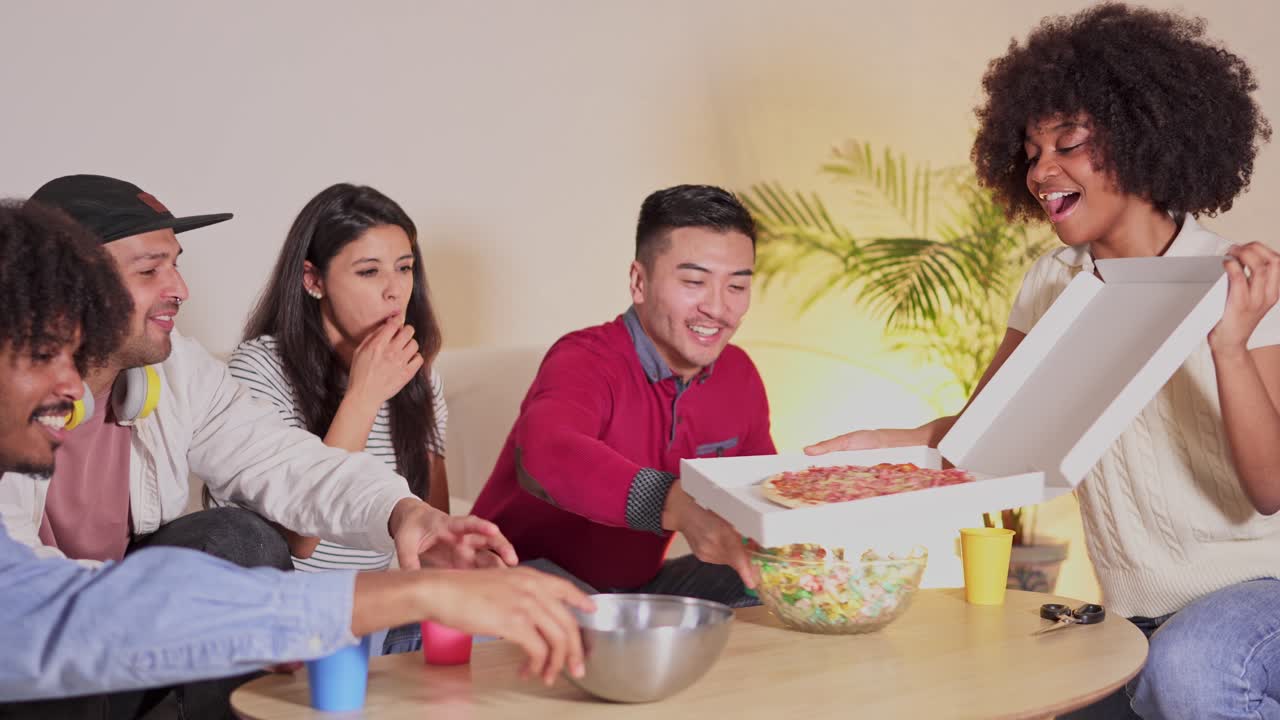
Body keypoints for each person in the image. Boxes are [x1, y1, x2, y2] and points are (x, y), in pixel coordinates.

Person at [808, 5, 1278, 718]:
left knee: (1188, 668)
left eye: (1068, 143)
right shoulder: (1053, 283)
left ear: (1144, 138)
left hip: (1260, 593)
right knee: (1016, 690)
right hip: (1133, 613)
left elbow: (1271, 489)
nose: (1041, 172)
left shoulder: (1239, 279)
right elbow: (987, 436)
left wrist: (1228, 345)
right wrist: (885, 446)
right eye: (1030, 152)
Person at [0, 200, 593, 718]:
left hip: (142, 635)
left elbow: (285, 461)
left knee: (233, 539)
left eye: (175, 264)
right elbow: (47, 613)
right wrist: (409, 595)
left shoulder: (177, 371)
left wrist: (405, 513)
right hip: (64, 655)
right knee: (236, 539)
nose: (180, 289)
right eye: (150, 270)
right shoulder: (265, 364)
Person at [471, 184, 776, 607]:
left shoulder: (738, 375)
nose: (718, 308)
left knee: (770, 577)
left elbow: (762, 490)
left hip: (633, 592)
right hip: (518, 577)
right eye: (694, 282)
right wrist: (674, 502)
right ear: (639, 282)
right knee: (545, 597)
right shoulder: (584, 359)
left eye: (737, 287)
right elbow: (546, 454)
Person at [220, 183, 450, 653]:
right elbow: (300, 539)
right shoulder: (258, 368)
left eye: (404, 268)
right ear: (313, 279)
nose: (394, 291)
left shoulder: (419, 377)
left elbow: (433, 541)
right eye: (369, 271)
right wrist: (364, 395)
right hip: (291, 619)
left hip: (378, 617)